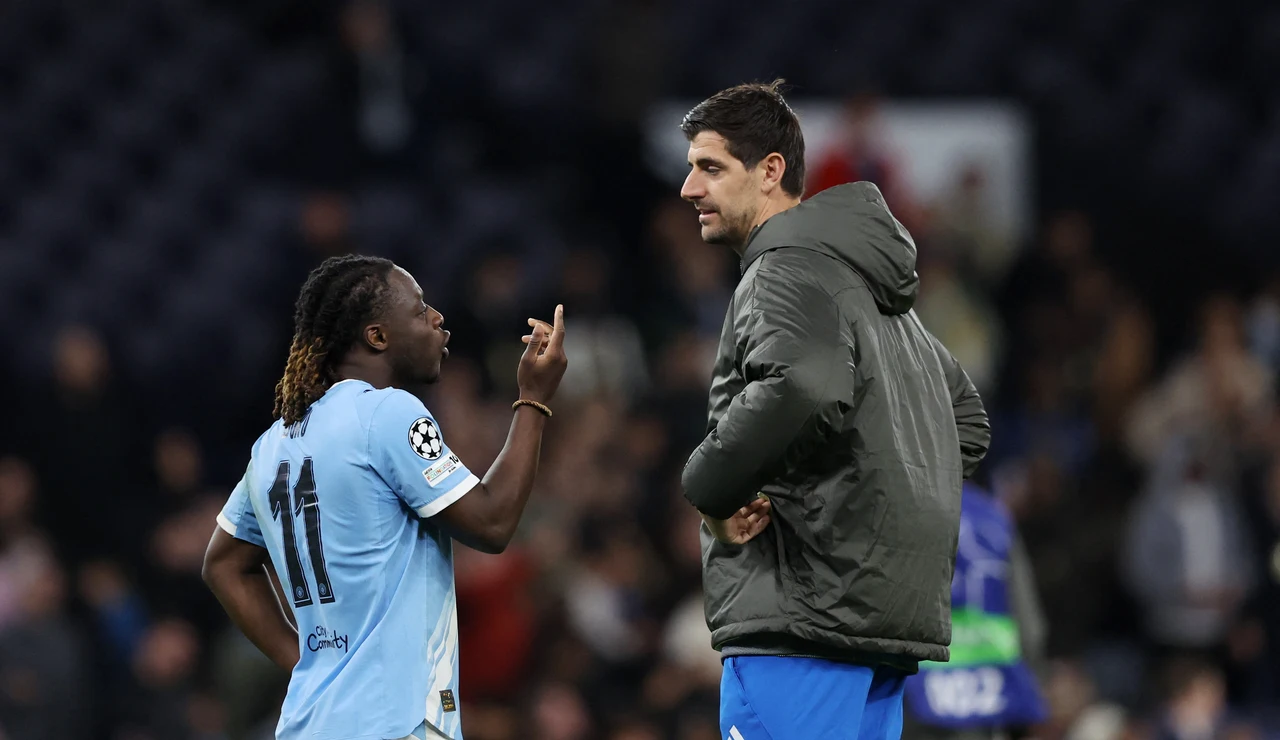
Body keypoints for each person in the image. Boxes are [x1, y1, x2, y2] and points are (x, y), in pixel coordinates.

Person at [676, 80, 991, 740]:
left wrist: (710, 488)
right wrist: (867, 506)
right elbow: (964, 420)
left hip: (802, 619)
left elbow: (807, 385)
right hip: (870, 626)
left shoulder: (784, 268)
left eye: (710, 167)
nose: (690, 189)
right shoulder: (872, 293)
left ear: (769, 172)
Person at [201, 254, 568, 740]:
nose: (437, 319)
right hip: (394, 721)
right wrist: (533, 400)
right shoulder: (389, 413)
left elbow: (223, 564)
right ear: (376, 337)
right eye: (419, 311)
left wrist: (307, 661)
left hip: (310, 722)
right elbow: (493, 523)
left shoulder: (274, 443)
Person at [901, 482, 1049, 740]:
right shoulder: (992, 515)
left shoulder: (897, 508)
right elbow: (1030, 629)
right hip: (984, 694)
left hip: (913, 695)